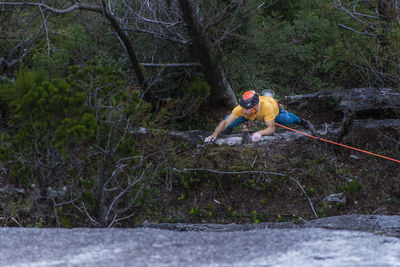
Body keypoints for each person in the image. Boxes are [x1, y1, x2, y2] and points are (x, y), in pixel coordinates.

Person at [204, 90, 316, 142]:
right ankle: (224, 137)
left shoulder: (267, 107)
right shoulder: (242, 109)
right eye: (242, 107)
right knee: (228, 123)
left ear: (255, 107)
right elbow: (225, 122)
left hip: (274, 110)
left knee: (287, 120)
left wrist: (259, 132)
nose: (243, 110)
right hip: (255, 114)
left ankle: (302, 122)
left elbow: (271, 129)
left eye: (246, 109)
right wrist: (215, 133)